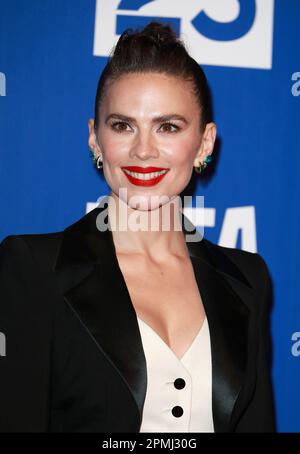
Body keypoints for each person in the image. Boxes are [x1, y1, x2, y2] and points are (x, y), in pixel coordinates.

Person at [0, 21, 275, 433]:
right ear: (95, 138)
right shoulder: (34, 268)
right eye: (122, 125)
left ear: (204, 143)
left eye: (168, 126)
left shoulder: (247, 280)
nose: (143, 150)